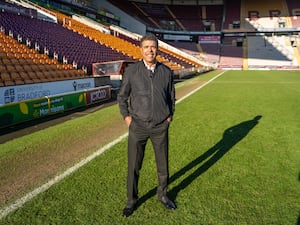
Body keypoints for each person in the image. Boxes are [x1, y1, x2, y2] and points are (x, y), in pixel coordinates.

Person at [117, 33, 176, 217]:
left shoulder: (166, 72)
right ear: (141, 50)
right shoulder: (132, 71)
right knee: (134, 166)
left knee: (163, 166)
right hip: (138, 127)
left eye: (153, 47)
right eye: (146, 47)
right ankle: (131, 201)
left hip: (160, 127)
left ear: (157, 49)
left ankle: (163, 196)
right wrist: (127, 118)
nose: (150, 50)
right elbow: (121, 97)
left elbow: (171, 98)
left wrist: (168, 118)